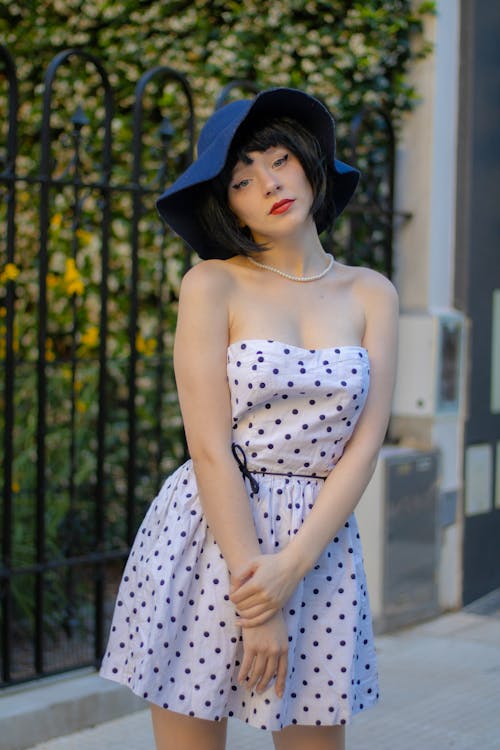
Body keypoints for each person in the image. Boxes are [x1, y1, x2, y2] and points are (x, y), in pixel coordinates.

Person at [100, 87, 398, 750]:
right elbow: (208, 448)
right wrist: (256, 601)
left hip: (318, 549)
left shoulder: (371, 292)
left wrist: (294, 563)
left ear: (310, 163)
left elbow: (365, 443)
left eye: (279, 159)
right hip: (213, 538)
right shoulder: (213, 284)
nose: (269, 182)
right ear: (225, 204)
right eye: (242, 179)